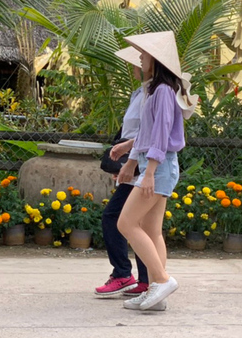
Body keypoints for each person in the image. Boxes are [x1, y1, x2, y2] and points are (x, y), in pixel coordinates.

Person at [117, 31, 197, 311]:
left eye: (144, 53)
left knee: (125, 223)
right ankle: (156, 292)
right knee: (152, 230)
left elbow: (161, 135)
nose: (140, 57)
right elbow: (146, 134)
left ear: (157, 59)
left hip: (159, 168)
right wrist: (131, 163)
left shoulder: (162, 91)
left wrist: (148, 171)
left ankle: (161, 280)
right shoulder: (157, 90)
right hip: (157, 167)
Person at [94, 47, 149, 298]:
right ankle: (145, 278)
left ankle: (124, 273)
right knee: (138, 223)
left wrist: (131, 163)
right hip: (134, 161)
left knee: (115, 217)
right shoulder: (140, 92)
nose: (136, 65)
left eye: (141, 60)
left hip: (142, 163)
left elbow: (150, 133)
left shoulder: (152, 95)